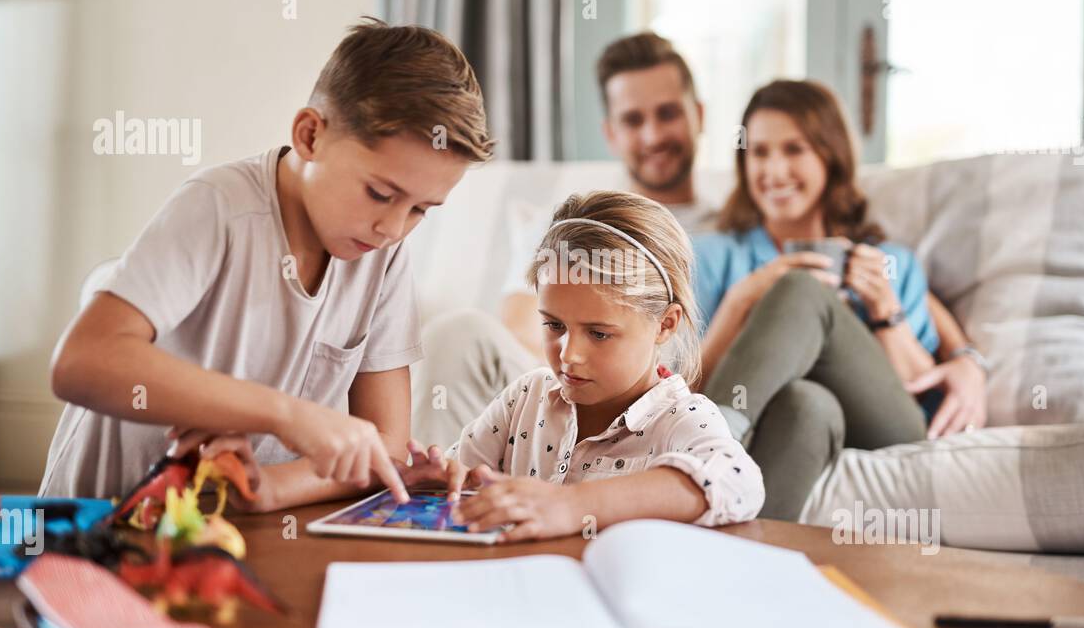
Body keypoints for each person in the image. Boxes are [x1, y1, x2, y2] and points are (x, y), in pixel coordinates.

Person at [40, 19, 494, 510]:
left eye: (421, 209)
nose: (394, 228)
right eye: (380, 193)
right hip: (96, 524)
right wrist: (285, 415)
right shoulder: (219, 207)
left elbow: (383, 443)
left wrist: (266, 485)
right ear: (309, 135)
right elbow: (81, 363)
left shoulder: (381, 255)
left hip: (220, 528)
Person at [694, 79, 986, 521]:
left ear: (830, 156)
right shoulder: (717, 257)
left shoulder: (889, 264)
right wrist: (740, 300)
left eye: (793, 150)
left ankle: (704, 450)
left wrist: (886, 313)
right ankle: (736, 560)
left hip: (885, 426)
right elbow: (682, 385)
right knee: (807, 403)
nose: (773, 171)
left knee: (801, 290)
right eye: (759, 152)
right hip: (798, 424)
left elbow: (922, 393)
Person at [411, 32, 719, 446]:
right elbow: (521, 331)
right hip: (548, 389)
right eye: (633, 120)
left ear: (699, 115)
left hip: (661, 405)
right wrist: (582, 363)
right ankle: (436, 498)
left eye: (667, 114)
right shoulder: (565, 224)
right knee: (458, 332)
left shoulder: (733, 235)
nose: (652, 136)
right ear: (610, 133)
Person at [407, 190, 763, 541]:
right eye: (554, 325)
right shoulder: (524, 398)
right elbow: (462, 477)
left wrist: (571, 505)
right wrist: (436, 483)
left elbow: (739, 483)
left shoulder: (681, 419)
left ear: (665, 324)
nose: (568, 355)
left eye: (598, 334)